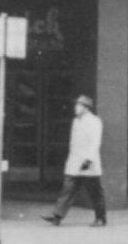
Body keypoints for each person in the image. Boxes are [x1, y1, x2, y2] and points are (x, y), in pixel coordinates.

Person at [43, 95, 106, 226]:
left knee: (95, 193)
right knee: (67, 190)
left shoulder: (94, 121)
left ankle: (100, 218)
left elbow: (95, 142)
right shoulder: (76, 121)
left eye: (78, 106)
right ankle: (57, 216)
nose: (75, 108)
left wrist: (88, 160)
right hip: (75, 163)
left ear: (86, 108)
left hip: (89, 164)